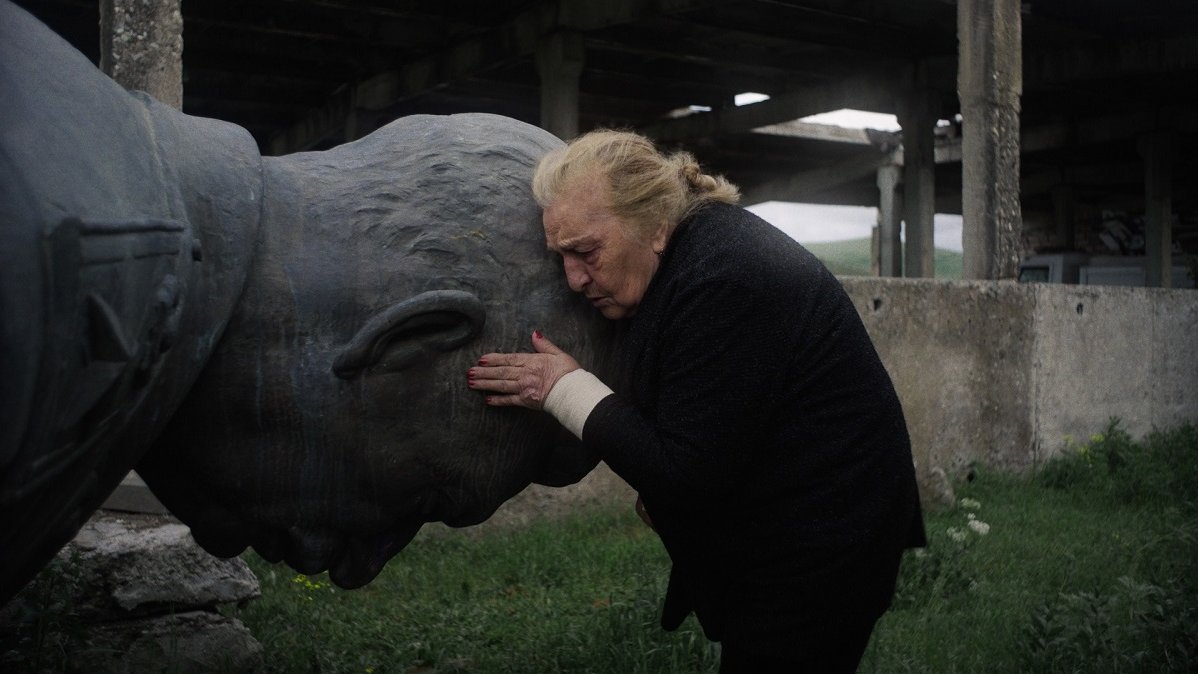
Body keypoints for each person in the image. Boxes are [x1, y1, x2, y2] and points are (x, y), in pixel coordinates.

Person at [467, 129, 926, 672]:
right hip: (790, 531)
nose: (573, 278)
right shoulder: (695, 256)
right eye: (560, 257)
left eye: (587, 252)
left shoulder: (723, 278)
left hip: (821, 548)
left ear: (656, 226)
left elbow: (685, 471)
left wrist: (562, 387)